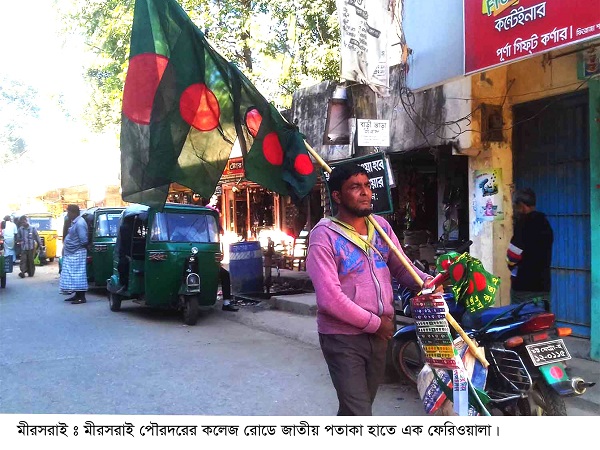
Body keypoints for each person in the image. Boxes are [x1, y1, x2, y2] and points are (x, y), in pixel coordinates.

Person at [305, 163, 438, 416]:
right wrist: (375, 324)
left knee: (356, 408)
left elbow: (402, 267)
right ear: (337, 196)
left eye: (367, 185)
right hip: (343, 337)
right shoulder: (323, 236)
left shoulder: (381, 227)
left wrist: (427, 282)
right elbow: (329, 299)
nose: (365, 192)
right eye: (355, 187)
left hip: (379, 335)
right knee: (359, 412)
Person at [506, 188, 553, 309]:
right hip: (543, 286)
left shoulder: (523, 225)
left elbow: (512, 258)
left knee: (520, 317)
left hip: (523, 286)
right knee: (542, 316)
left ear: (521, 205)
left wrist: (512, 267)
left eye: (515, 206)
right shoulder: (545, 224)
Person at [201, 194, 238, 312]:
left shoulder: (215, 215)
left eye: (217, 198)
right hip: (201, 260)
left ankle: (226, 302)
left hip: (211, 254)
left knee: (225, 274)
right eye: (214, 198)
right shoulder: (206, 212)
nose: (216, 200)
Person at [59, 205, 89, 304]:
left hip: (77, 252)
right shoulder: (75, 222)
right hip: (72, 252)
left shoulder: (80, 223)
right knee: (73, 275)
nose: (67, 214)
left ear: (74, 213)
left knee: (78, 275)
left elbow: (83, 240)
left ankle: (81, 297)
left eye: (68, 212)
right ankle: (77, 295)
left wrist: (74, 247)